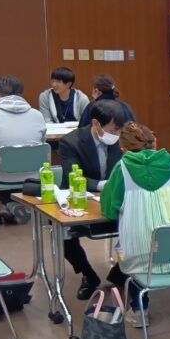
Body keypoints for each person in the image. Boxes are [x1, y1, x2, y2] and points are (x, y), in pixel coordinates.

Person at [100, 122, 170, 328]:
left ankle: (139, 310)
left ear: (124, 149)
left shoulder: (121, 169)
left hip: (141, 260)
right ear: (155, 142)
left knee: (127, 248)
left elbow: (109, 210)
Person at [58, 100, 127, 299]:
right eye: (113, 130)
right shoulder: (71, 142)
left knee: (141, 222)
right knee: (63, 233)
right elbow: (72, 176)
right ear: (96, 124)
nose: (117, 135)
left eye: (119, 130)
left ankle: (120, 272)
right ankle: (88, 274)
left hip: (115, 200)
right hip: (81, 199)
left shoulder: (121, 140)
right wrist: (103, 185)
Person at [0, 74, 47, 223]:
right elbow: (42, 143)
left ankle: (10, 204)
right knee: (15, 167)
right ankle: (13, 206)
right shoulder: (37, 115)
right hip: (34, 176)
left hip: (0, 176)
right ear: (21, 93)